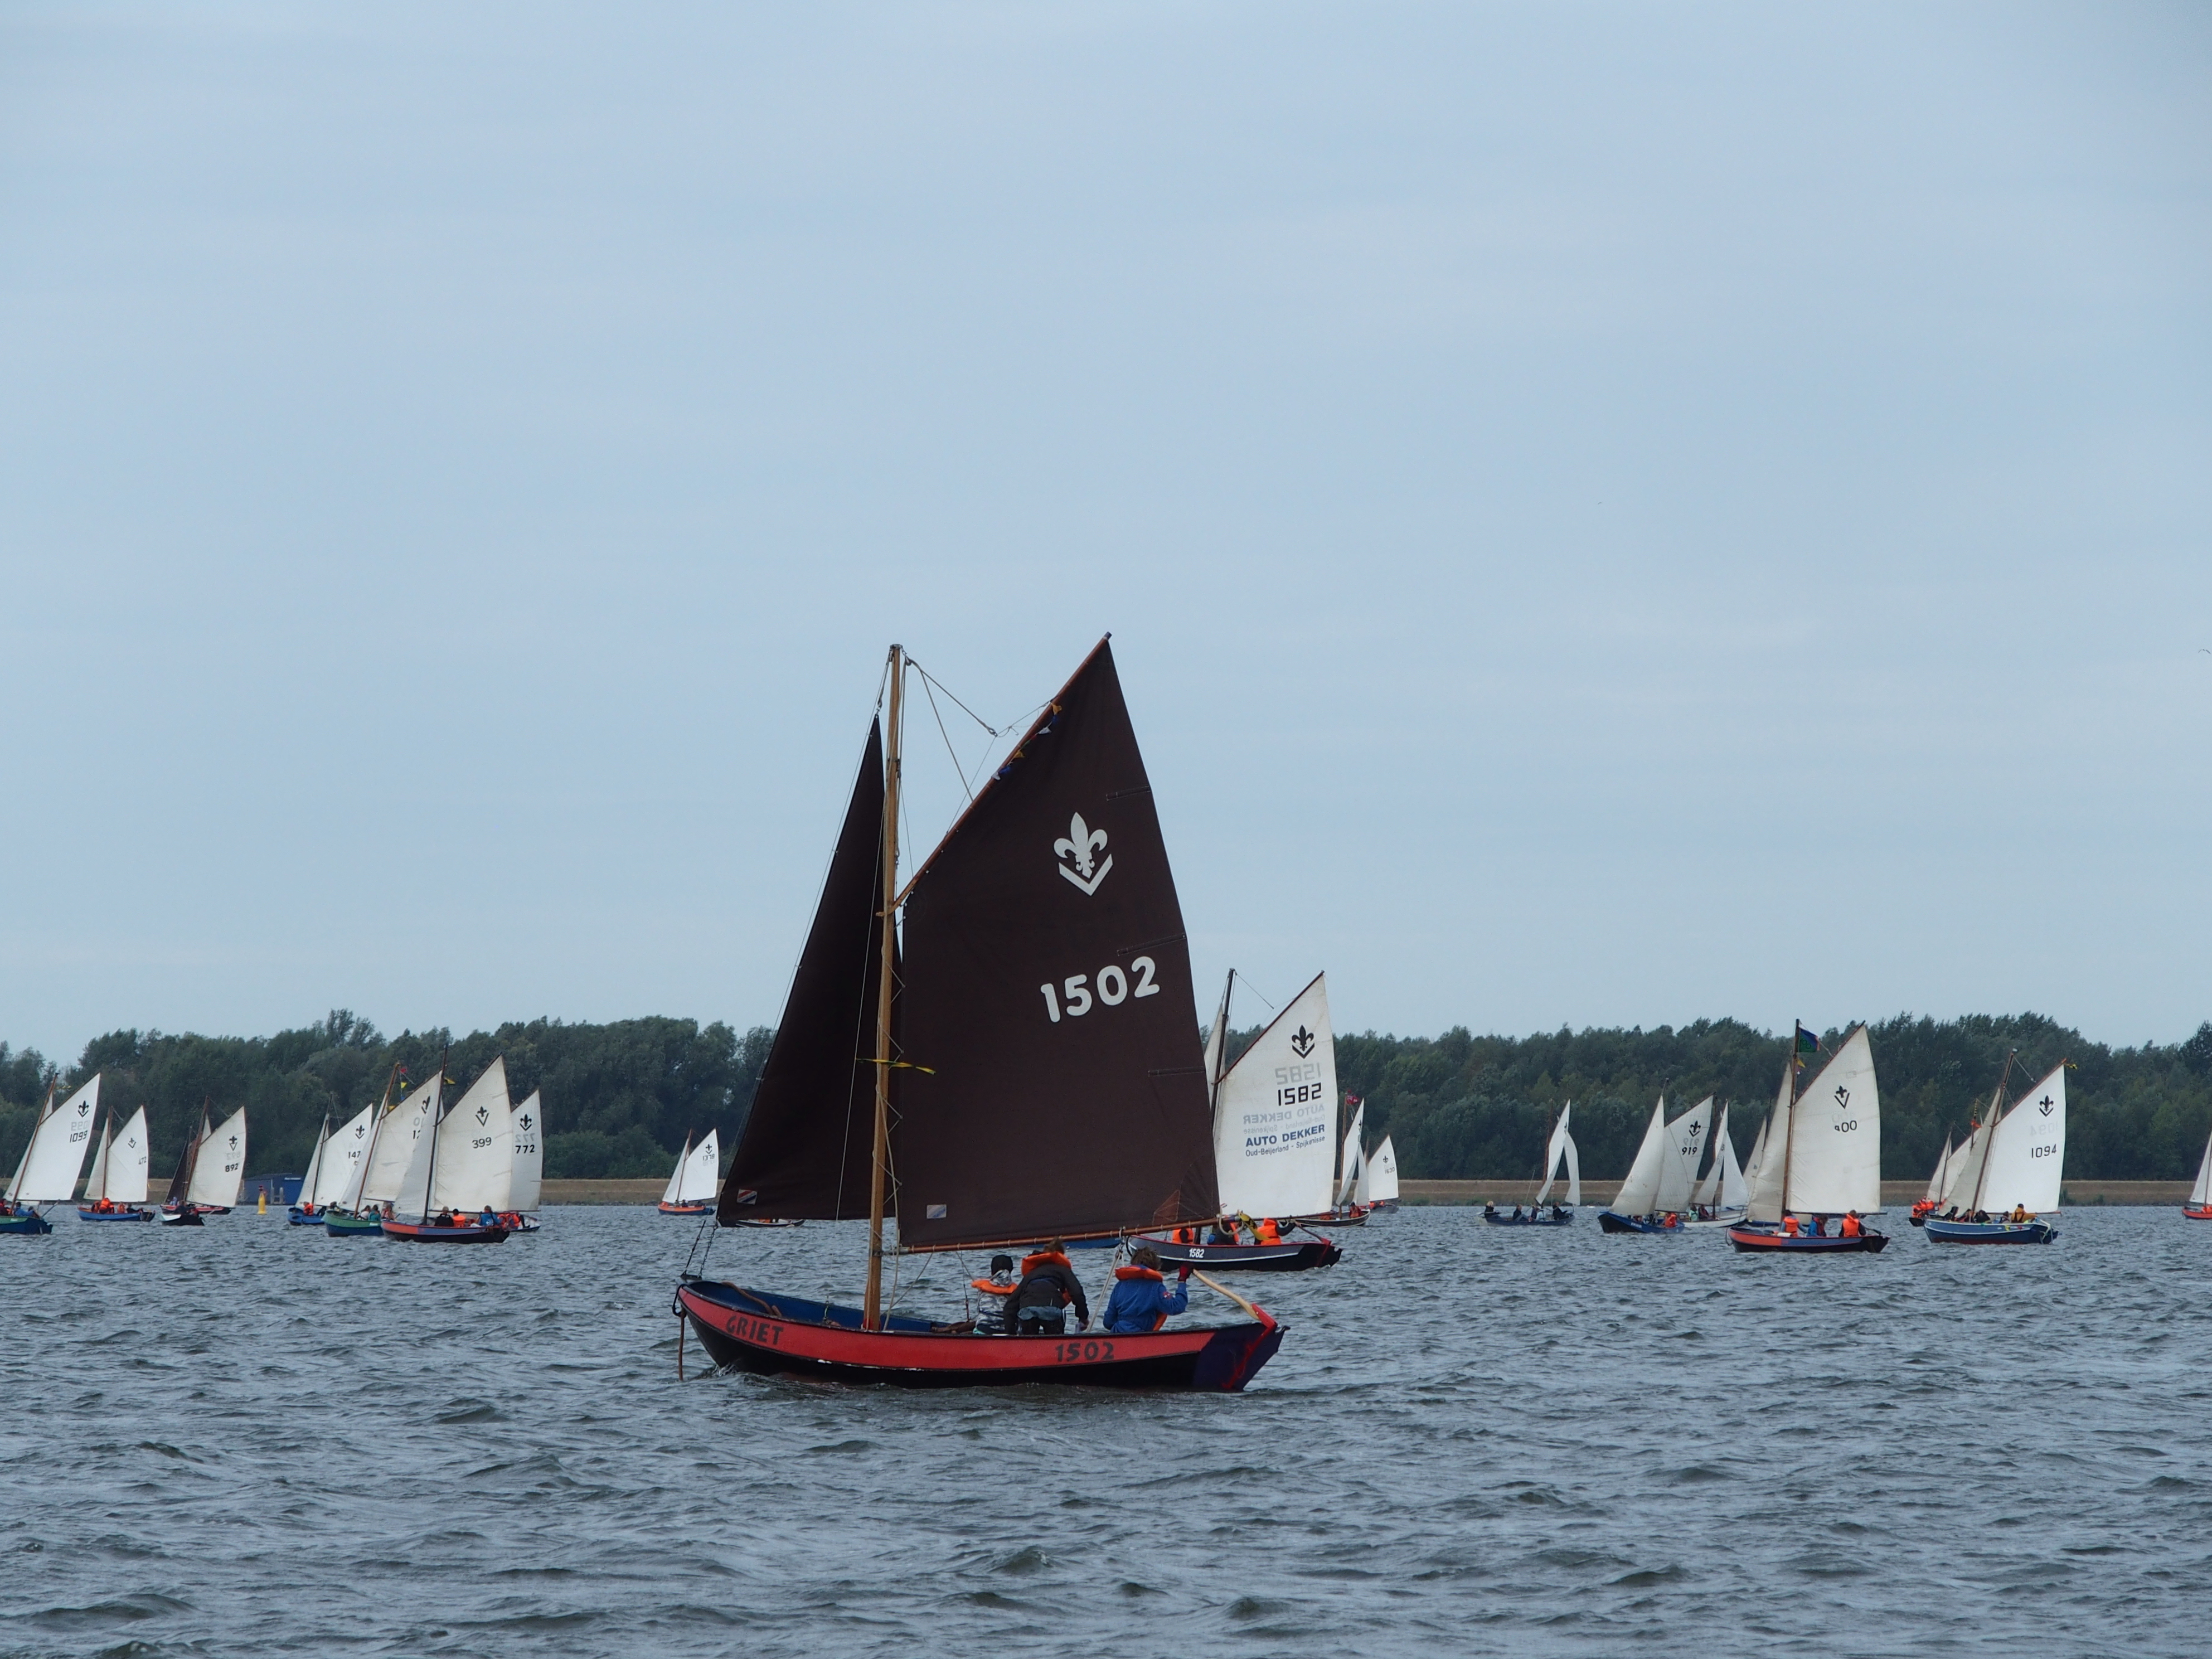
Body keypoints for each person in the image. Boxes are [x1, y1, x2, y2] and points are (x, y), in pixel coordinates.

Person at [1005, 1240, 1088, 1336]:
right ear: (1060, 1256)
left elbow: (1010, 1305)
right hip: (1051, 1308)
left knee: (1028, 1343)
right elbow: (1077, 1293)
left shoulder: (1031, 1274)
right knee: (1055, 1342)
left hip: (1027, 1309)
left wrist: (1010, 1334)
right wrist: (1083, 1317)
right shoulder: (1063, 1270)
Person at [1102, 1245, 1191, 1334]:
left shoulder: (1119, 1286)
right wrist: (1182, 1280)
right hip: (1141, 1338)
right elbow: (1177, 1307)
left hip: (1117, 1336)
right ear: (1155, 1267)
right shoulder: (1155, 1288)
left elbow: (1108, 1322)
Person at [969, 1254, 1018, 1334]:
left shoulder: (983, 1289)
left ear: (992, 1271)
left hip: (985, 1328)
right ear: (1011, 1271)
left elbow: (979, 1310)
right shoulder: (1016, 1290)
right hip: (1006, 1330)